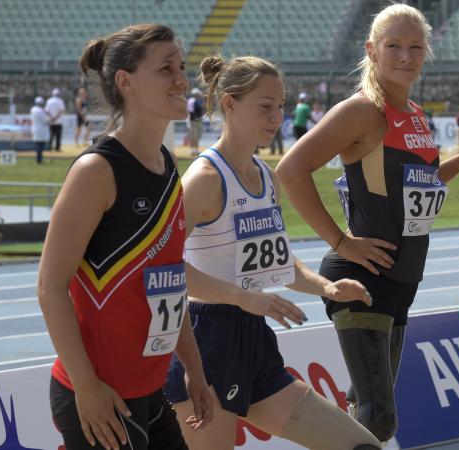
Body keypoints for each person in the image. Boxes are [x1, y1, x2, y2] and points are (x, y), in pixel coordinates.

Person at [275, 4, 459, 443]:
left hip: (401, 282)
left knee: (364, 412)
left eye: (416, 47)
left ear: (427, 52)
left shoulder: (416, 116)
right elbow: (291, 169)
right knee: (378, 418)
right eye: (394, 47)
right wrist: (340, 242)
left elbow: (416, 184)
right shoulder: (363, 111)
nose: (406, 56)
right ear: (372, 50)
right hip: (362, 279)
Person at [164, 54, 383, 450]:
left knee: (360, 446)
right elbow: (163, 266)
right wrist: (244, 298)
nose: (276, 117)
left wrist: (326, 288)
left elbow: (276, 260)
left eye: (280, 106)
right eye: (265, 106)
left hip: (253, 341)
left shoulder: (265, 176)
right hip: (205, 341)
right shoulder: (204, 179)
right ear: (229, 103)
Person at [37, 24, 213, 450]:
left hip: (152, 391)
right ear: (126, 82)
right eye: (165, 68)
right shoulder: (96, 172)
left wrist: (194, 367)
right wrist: (86, 386)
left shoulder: (168, 166)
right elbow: (50, 287)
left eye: (181, 66)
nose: (180, 78)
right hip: (103, 396)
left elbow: (170, 280)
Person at [31, 96, 49, 164]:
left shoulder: (33, 109)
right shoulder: (40, 111)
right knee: (40, 147)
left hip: (36, 129)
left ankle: (39, 159)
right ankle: (39, 160)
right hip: (41, 130)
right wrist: (50, 119)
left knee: (38, 146)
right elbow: (45, 121)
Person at [186, 87, 204, 156]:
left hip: (194, 121)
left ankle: (194, 149)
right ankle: (194, 149)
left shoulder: (194, 101)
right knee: (194, 135)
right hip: (194, 121)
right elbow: (191, 112)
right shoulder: (193, 101)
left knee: (195, 135)